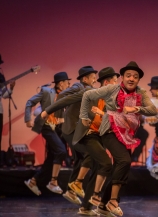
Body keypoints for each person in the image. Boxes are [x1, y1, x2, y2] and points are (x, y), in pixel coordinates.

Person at [80, 61, 157, 216]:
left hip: (126, 134)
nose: (131, 79)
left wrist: (136, 108)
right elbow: (88, 95)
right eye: (128, 75)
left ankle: (102, 206)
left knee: (122, 168)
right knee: (124, 161)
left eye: (135, 76)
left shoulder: (140, 93)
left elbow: (152, 109)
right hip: (109, 131)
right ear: (122, 77)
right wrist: (83, 116)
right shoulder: (112, 89)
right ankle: (113, 201)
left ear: (138, 80)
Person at [43, 67, 119, 215]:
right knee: (99, 160)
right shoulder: (87, 91)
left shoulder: (109, 98)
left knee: (97, 164)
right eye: (115, 81)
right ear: (107, 82)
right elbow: (67, 98)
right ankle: (79, 186)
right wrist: (48, 111)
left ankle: (85, 206)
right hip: (80, 132)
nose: (117, 84)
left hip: (95, 134)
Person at [41, 66, 98, 207]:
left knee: (79, 158)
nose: (95, 79)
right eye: (92, 77)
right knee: (88, 154)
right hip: (71, 129)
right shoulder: (79, 86)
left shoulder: (88, 90)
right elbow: (61, 95)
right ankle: (77, 185)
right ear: (85, 79)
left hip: (76, 130)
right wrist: (62, 116)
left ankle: (71, 191)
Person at [24, 71, 71, 195]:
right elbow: (30, 103)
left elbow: (65, 115)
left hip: (57, 129)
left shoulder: (65, 96)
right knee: (61, 151)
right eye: (67, 82)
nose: (68, 84)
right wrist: (28, 119)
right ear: (61, 84)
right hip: (46, 126)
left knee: (51, 158)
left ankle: (33, 181)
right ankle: (53, 182)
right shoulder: (46, 92)